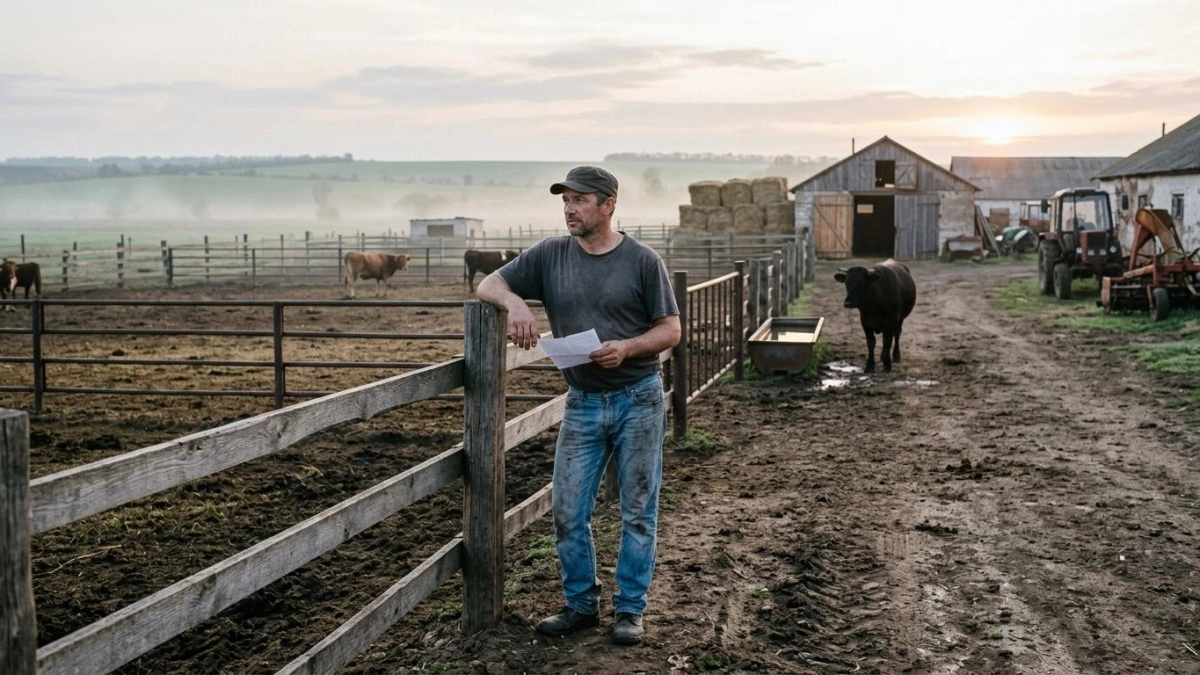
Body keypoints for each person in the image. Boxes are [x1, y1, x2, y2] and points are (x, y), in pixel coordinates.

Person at [475, 165, 681, 646]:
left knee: (637, 510)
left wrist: (627, 348)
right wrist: (518, 305)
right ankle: (581, 605)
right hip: (583, 402)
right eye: (565, 200)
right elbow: (488, 285)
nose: (569, 209)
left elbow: (671, 329)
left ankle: (629, 610)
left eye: (580, 200)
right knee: (568, 510)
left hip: (638, 398)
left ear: (608, 205)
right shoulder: (549, 255)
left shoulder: (643, 261)